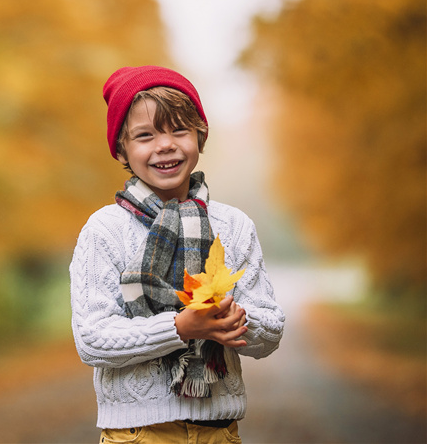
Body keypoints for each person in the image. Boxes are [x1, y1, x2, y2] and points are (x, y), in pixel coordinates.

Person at [69, 66, 284, 444]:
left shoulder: (232, 226)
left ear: (200, 136)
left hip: (220, 432)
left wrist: (235, 320)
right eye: (145, 135)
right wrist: (180, 328)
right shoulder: (105, 229)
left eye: (178, 130)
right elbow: (93, 338)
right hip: (137, 434)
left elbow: (270, 330)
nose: (164, 145)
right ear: (122, 148)